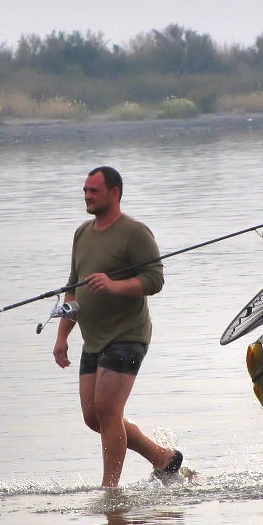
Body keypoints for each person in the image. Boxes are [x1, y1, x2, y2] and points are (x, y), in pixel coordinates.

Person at [53, 165, 183, 487]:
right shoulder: (82, 233)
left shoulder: (135, 233)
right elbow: (73, 285)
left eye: (93, 191)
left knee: (108, 410)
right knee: (92, 417)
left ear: (114, 193)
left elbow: (155, 280)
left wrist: (113, 286)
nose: (86, 196)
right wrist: (61, 336)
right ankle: (162, 457)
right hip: (93, 338)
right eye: (84, 190)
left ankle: (110, 489)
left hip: (127, 335)